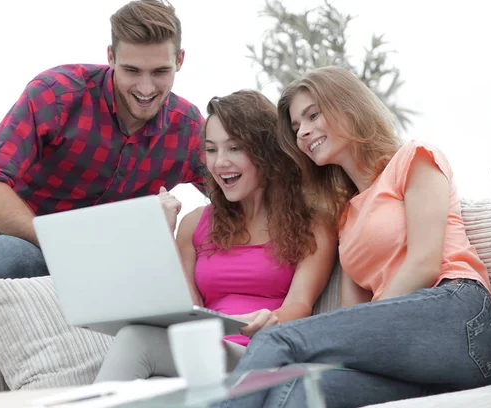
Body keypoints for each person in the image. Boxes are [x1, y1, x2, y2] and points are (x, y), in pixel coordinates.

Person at [0, 0, 205, 403]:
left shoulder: (188, 129)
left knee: (3, 259)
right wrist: (65, 244)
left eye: (160, 72)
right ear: (110, 57)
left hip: (75, 278)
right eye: (132, 70)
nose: (146, 88)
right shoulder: (58, 93)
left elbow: (241, 195)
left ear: (179, 61)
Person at [220, 66, 491, 408]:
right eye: (296, 127)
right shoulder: (345, 219)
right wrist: (355, 334)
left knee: (277, 340)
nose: (303, 132)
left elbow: (424, 263)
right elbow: (352, 314)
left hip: (459, 316)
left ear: (348, 106)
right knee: (295, 391)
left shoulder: (415, 157)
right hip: (412, 356)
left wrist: (360, 329)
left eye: (312, 115)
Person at [94, 90, 337, 382]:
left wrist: (269, 319)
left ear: (267, 152)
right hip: (204, 352)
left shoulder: (313, 223)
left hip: (265, 354)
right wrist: (162, 234)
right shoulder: (194, 223)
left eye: (234, 148)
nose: (220, 162)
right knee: (143, 357)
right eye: (211, 150)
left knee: (136, 340)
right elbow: (187, 309)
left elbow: (300, 304)